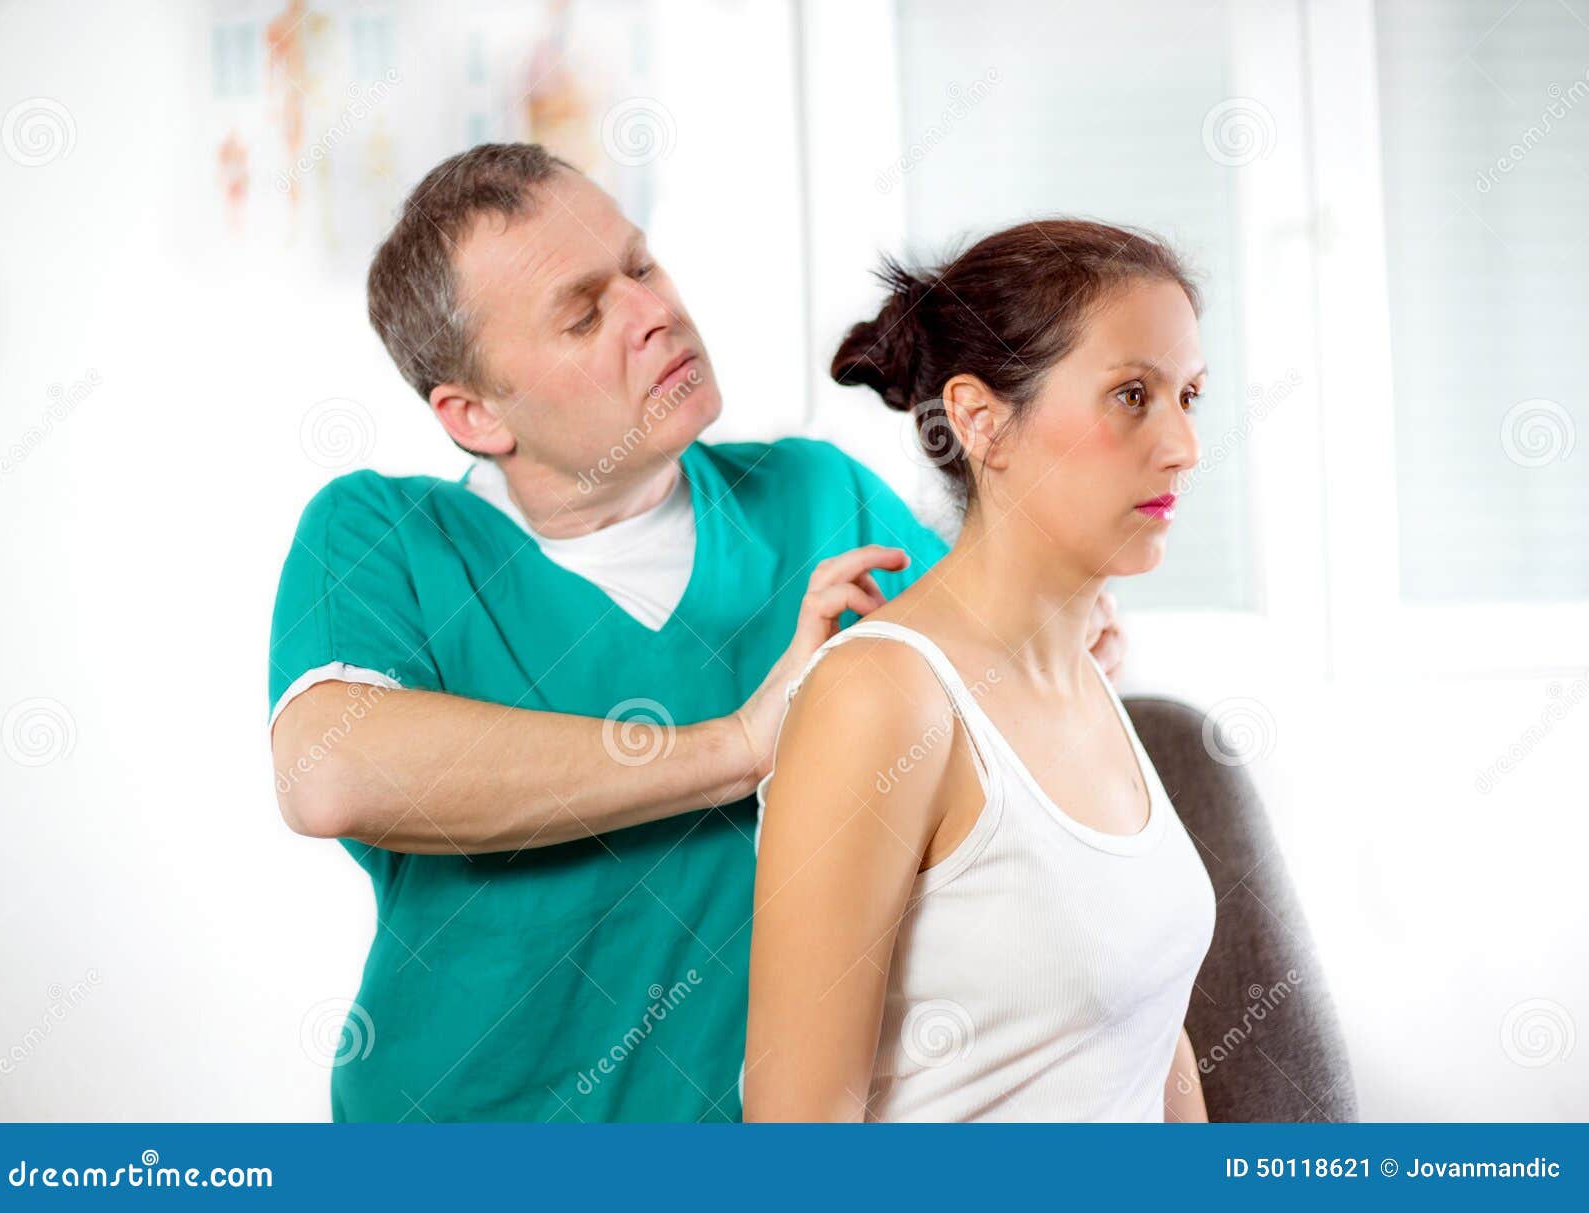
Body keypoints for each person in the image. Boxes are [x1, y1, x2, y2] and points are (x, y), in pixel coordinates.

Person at [267, 144, 1124, 1122]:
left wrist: (1065, 640)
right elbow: (327, 770)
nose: (652, 312)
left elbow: (1009, 692)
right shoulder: (386, 534)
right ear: (474, 416)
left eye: (640, 265)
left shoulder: (813, 498)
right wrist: (739, 747)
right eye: (585, 314)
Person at [743, 220, 1215, 1122]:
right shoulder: (879, 699)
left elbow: (1148, 1040)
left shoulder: (1084, 682)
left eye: (1190, 395)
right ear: (979, 419)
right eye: (1131, 395)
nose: (1185, 445)